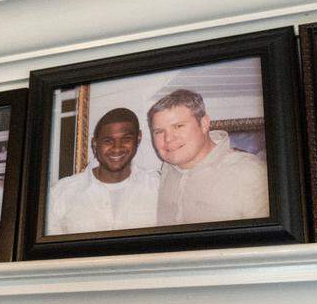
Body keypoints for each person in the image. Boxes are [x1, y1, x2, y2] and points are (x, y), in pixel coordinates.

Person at [149, 89, 268, 224]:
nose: (168, 138)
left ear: (204, 124)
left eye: (178, 126)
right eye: (159, 131)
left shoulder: (250, 173)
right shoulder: (167, 168)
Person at [46, 107, 159, 234]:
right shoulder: (61, 193)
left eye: (126, 139)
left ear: (138, 138)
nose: (117, 148)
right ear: (95, 144)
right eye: (108, 141)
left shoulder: (158, 187)